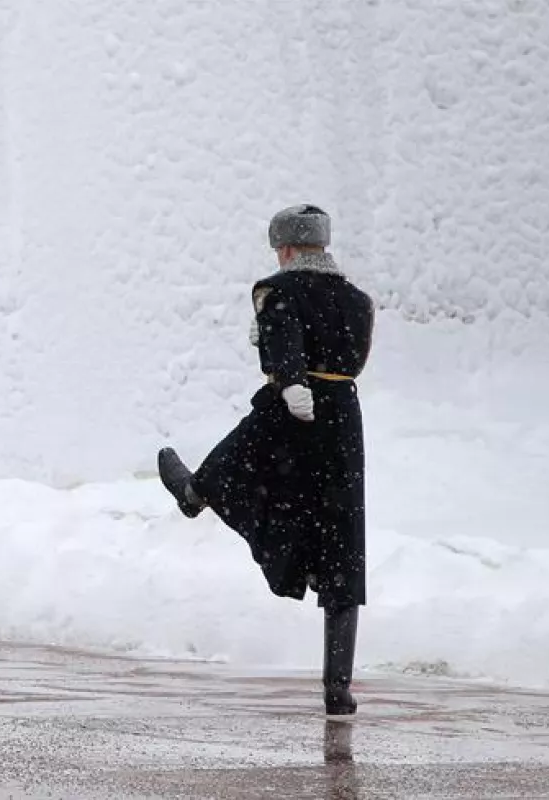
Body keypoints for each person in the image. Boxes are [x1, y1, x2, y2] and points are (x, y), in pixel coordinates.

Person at [156, 204, 375, 719]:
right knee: (343, 542)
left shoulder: (278, 291)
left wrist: (294, 382)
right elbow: (354, 355)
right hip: (343, 417)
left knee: (238, 462)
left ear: (287, 249)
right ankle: (337, 689)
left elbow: (282, 342)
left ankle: (196, 494)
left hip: (294, 410)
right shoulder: (358, 300)